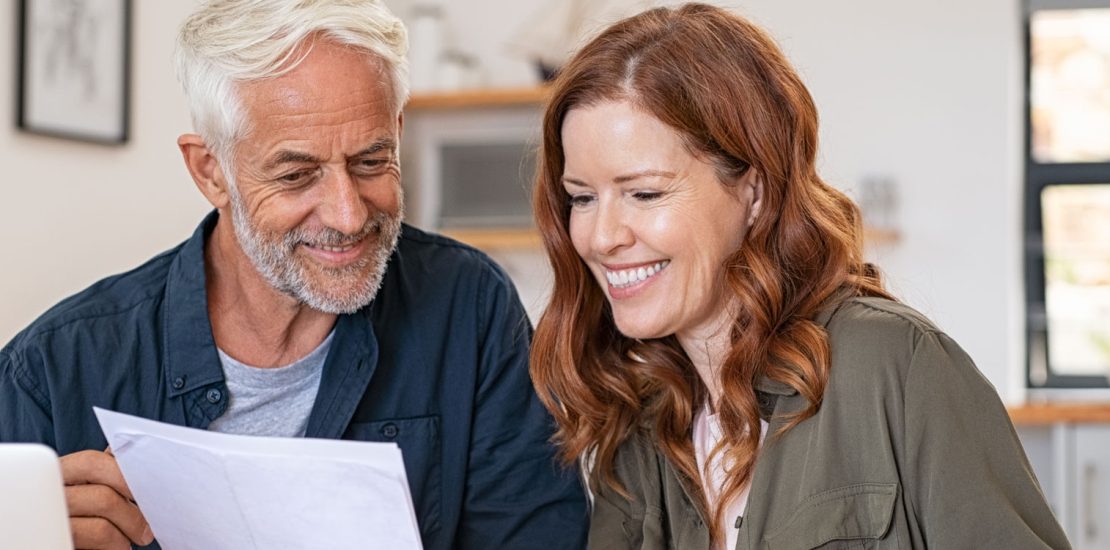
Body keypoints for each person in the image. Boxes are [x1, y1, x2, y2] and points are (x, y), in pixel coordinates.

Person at [0, 1, 587, 549]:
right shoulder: (53, 368)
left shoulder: (469, 306)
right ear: (211, 172)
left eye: (371, 162)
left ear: (399, 136)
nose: (348, 214)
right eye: (296, 175)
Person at [529, 4, 1069, 549]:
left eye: (644, 193)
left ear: (755, 192)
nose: (601, 237)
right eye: (582, 198)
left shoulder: (896, 365)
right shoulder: (639, 425)